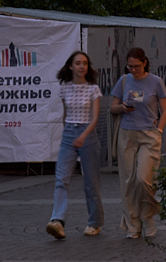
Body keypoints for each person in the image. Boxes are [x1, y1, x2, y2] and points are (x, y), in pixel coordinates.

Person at [110, 47, 166, 239]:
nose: (133, 70)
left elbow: (165, 109)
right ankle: (132, 224)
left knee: (143, 179)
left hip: (149, 134)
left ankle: (148, 216)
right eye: (130, 66)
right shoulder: (124, 80)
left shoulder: (156, 82)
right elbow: (113, 107)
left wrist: (159, 130)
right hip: (127, 134)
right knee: (127, 181)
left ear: (144, 63)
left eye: (136, 66)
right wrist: (122, 108)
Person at [47, 51, 104, 240]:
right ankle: (57, 220)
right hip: (69, 133)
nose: (82, 66)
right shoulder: (65, 88)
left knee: (91, 182)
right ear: (70, 66)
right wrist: (69, 133)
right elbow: (65, 114)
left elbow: (95, 118)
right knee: (61, 178)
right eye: (78, 63)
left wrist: (83, 136)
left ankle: (95, 223)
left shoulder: (93, 89)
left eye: (85, 63)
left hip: (88, 134)